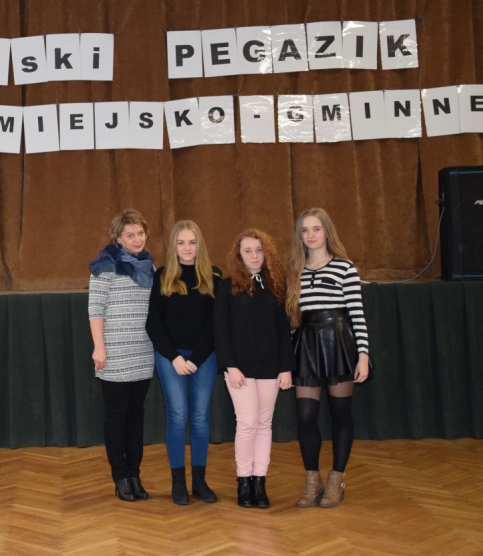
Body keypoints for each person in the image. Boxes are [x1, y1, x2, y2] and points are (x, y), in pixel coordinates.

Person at [285, 208, 370, 509]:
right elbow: (292, 319)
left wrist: (363, 354)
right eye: (305, 230)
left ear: (327, 232)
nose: (311, 235)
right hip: (306, 345)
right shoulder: (294, 270)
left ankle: (336, 480)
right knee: (306, 416)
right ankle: (312, 481)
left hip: (339, 344)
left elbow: (357, 314)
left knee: (340, 413)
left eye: (316, 229)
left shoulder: (345, 267)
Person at [214, 229, 294, 509]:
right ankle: (243, 481)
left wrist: (285, 368)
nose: (254, 255)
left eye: (259, 250)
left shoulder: (275, 286)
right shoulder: (227, 287)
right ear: (239, 255)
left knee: (264, 423)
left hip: (271, 367)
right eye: (248, 251)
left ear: (266, 253)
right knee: (247, 423)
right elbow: (221, 329)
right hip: (240, 368)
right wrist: (230, 366)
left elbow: (284, 330)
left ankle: (259, 481)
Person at [145, 220, 221, 505]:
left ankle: (199, 481)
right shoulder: (163, 275)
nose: (187, 248)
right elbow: (154, 323)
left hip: (204, 357)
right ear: (173, 246)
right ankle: (178, 483)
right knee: (177, 416)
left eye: (192, 242)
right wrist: (175, 357)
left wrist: (197, 359)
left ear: (199, 244)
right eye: (181, 243)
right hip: (171, 357)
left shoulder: (214, 275)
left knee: (200, 417)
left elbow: (216, 324)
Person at [88, 209, 156, 502]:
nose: (137, 239)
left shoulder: (150, 267)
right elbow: (95, 309)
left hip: (142, 352)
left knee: (136, 416)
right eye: (130, 235)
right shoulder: (105, 266)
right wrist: (99, 347)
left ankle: (135, 475)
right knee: (116, 416)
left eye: (140, 233)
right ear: (118, 238)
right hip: (114, 354)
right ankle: (121, 477)